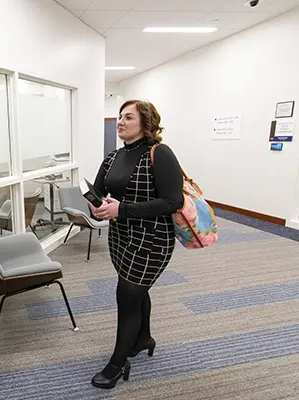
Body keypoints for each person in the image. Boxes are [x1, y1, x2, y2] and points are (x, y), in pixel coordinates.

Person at [88, 99, 184, 389]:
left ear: (146, 123)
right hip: (121, 238)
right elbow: (98, 190)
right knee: (136, 292)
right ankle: (143, 339)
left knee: (126, 297)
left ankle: (117, 364)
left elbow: (172, 201)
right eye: (119, 116)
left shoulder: (160, 153)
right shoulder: (113, 156)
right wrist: (95, 205)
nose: (120, 121)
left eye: (128, 117)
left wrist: (122, 209)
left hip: (152, 240)